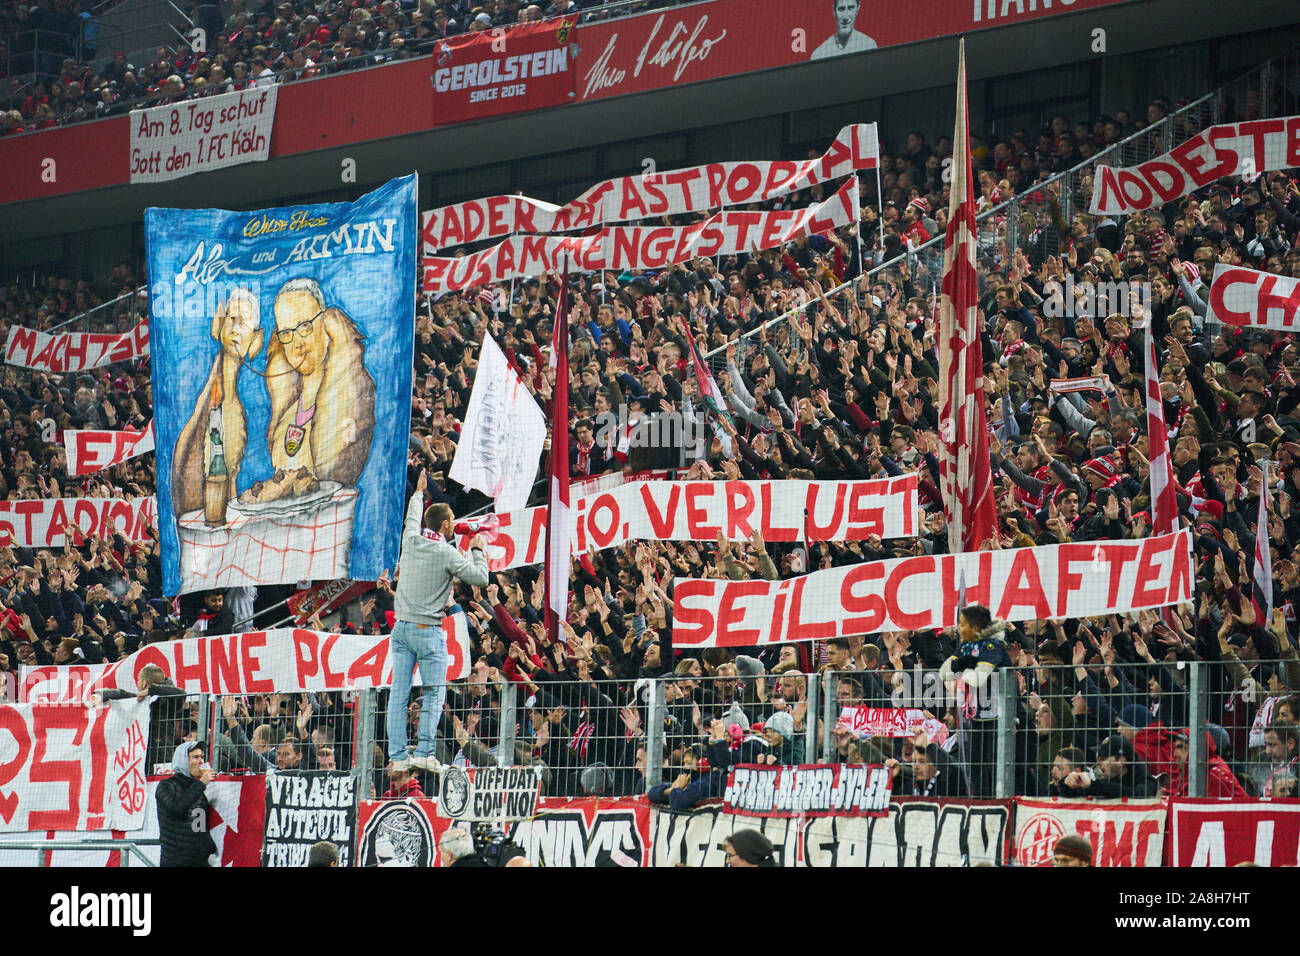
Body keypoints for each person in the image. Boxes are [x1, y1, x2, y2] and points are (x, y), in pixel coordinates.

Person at [388, 468, 489, 773]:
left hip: (401, 629)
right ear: (445, 525)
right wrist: (476, 550)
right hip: (427, 632)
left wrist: (419, 492)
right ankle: (425, 751)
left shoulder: (411, 539)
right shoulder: (447, 553)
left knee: (399, 693)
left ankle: (398, 755)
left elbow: (411, 517)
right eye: (452, 523)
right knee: (433, 693)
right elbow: (480, 577)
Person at [938, 604, 1011, 797]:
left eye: (962, 624)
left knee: (995, 776)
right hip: (977, 724)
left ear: (975, 628)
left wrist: (963, 668)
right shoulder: (967, 646)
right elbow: (944, 673)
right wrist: (960, 662)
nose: (958, 629)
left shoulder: (992, 647)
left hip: (1000, 725)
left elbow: (978, 678)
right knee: (976, 777)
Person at [155, 741, 216, 868]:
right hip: (176, 862)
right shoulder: (166, 785)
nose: (201, 761)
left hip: (200, 862)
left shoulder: (198, 790)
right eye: (195, 757)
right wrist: (201, 784)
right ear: (182, 760)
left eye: (202, 757)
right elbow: (177, 808)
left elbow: (200, 826)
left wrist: (208, 848)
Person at [809, 0, 876, 60]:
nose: (845, 17)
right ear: (834, 11)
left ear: (857, 8)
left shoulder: (869, 45)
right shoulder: (819, 54)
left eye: (850, 8)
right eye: (841, 9)